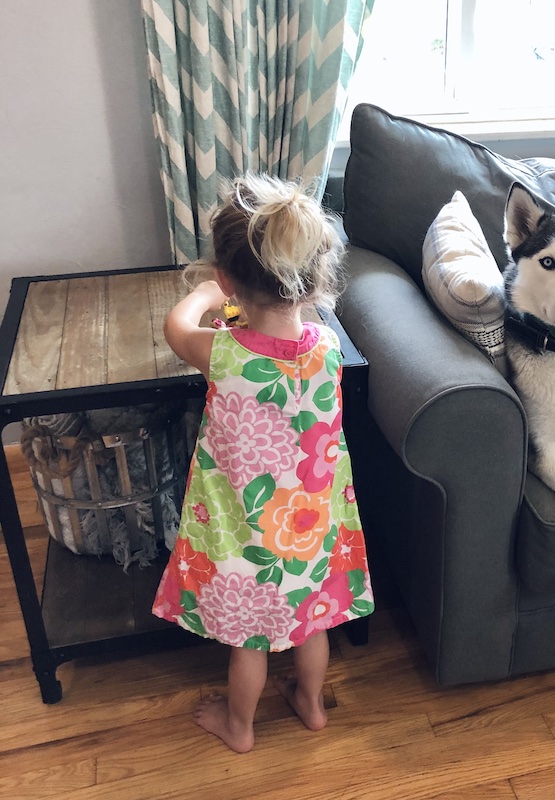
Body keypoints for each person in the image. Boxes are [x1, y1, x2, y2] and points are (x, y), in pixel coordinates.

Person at [152, 173, 374, 753]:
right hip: (312, 530)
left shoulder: (224, 353)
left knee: (249, 642)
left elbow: (177, 328)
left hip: (247, 536)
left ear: (228, 279)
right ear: (313, 279)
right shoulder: (327, 349)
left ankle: (240, 726)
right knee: (313, 623)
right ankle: (311, 706)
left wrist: (206, 293)